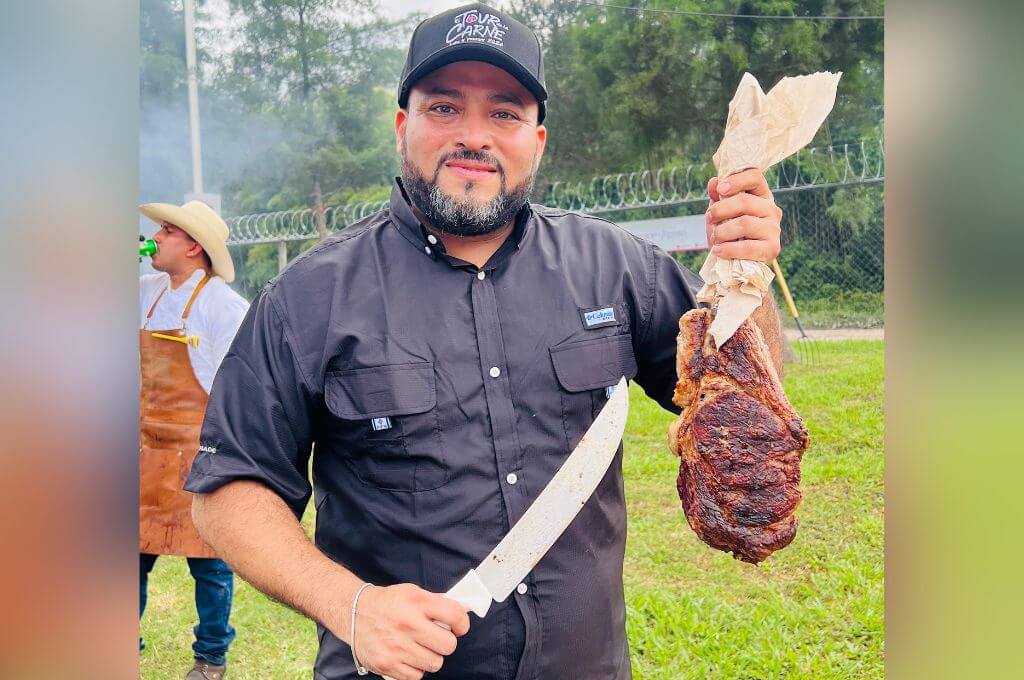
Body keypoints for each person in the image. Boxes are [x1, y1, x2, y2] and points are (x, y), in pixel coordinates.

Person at [186, 3, 785, 678]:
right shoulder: (306, 298)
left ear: (538, 139)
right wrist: (351, 606)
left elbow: (745, 403)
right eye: (444, 108)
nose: (474, 135)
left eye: (504, 113)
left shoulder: (616, 269)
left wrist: (748, 278)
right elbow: (227, 489)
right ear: (402, 126)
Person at [138, 199, 248, 680]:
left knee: (210, 564)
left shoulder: (223, 307)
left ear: (193, 247)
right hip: (141, 451)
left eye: (166, 231)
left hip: (196, 453)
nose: (155, 238)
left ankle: (210, 659)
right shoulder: (147, 292)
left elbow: (240, 386)